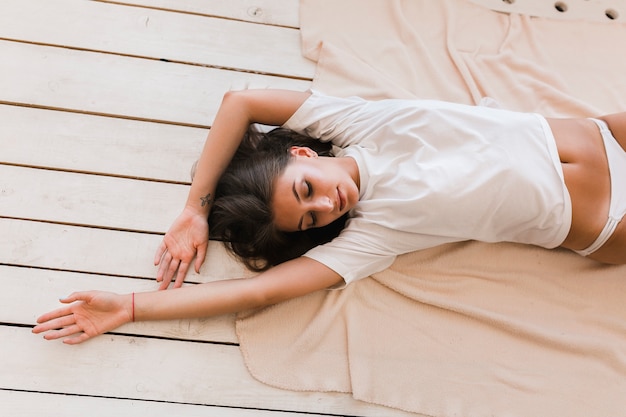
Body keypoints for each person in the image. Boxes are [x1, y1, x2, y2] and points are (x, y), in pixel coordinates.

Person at [33, 89, 626, 344]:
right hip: (611, 221)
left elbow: (240, 103)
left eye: (308, 189)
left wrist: (195, 207)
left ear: (302, 153)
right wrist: (133, 306)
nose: (325, 206)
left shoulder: (355, 125)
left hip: (606, 134)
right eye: (312, 220)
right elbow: (264, 293)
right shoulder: (375, 234)